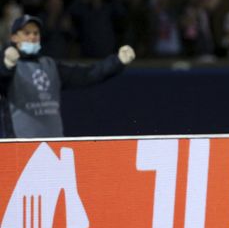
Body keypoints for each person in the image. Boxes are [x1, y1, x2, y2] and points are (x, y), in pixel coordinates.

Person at [0, 14, 136, 138]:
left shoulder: (51, 66)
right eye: (27, 33)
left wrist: (117, 62)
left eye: (36, 33)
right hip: (18, 149)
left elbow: (87, 74)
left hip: (54, 147)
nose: (32, 37)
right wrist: (6, 66)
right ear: (14, 38)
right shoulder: (10, 66)